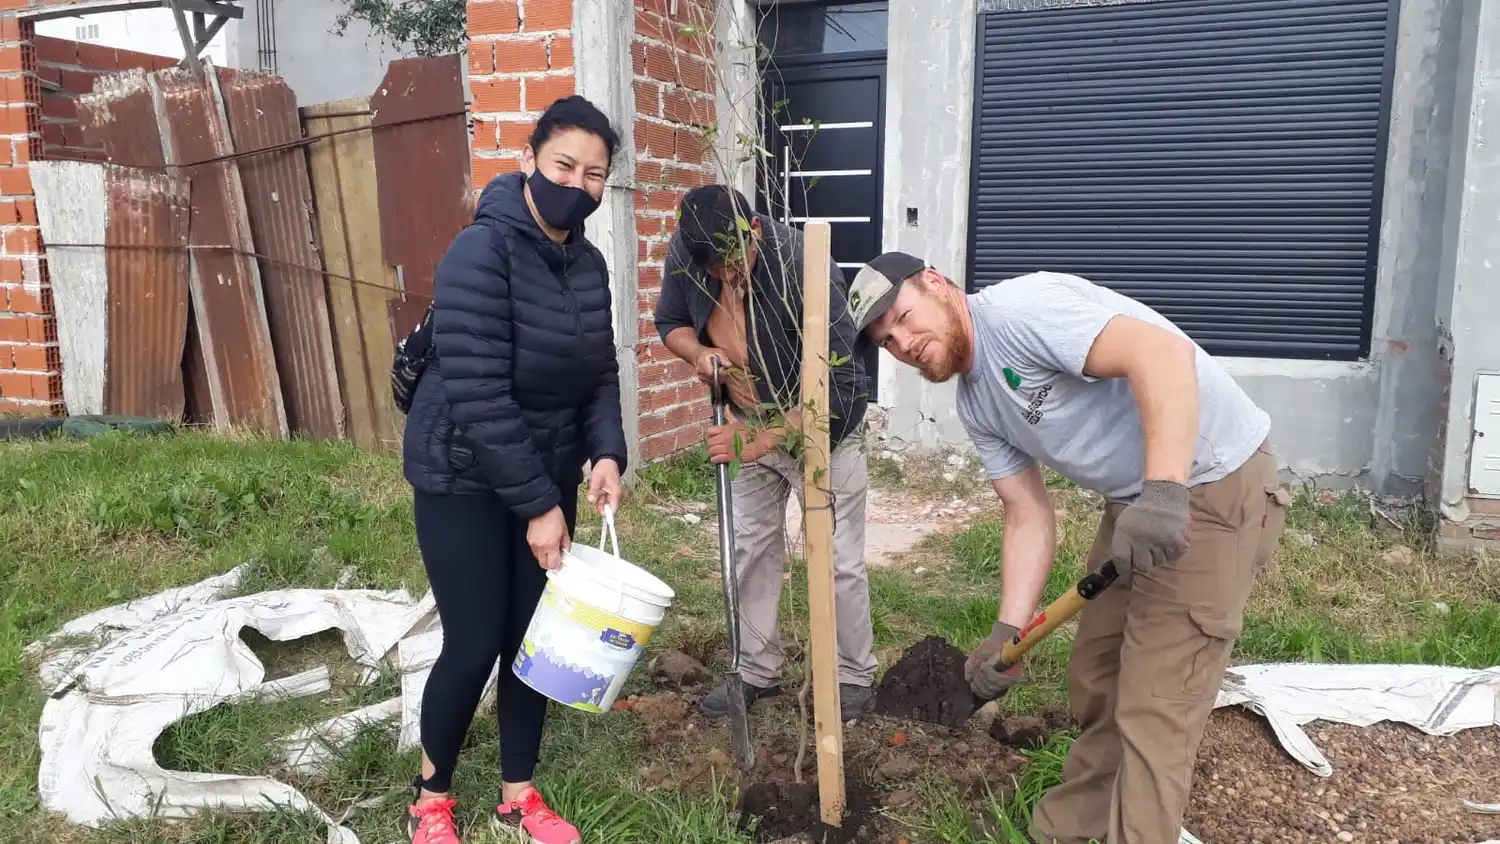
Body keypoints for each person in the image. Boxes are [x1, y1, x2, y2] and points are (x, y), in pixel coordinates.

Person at [848, 253, 1291, 844]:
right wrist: (1008, 629)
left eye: (903, 316)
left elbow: (1162, 353)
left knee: (1156, 700)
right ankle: (1069, 828)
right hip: (1138, 499)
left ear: (935, 283)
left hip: (1210, 482)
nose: (904, 342)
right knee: (1097, 672)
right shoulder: (976, 401)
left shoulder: (1023, 312)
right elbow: (1026, 512)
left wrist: (1164, 492)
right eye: (888, 341)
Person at [399, 95, 628, 844]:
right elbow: (476, 390)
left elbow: (600, 372)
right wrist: (538, 504)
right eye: (565, 164)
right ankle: (431, 799)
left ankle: (518, 794)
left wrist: (606, 453)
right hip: (462, 470)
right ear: (530, 159)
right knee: (474, 641)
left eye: (595, 174)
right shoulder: (481, 251)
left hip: (546, 469)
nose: (579, 184)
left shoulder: (588, 263)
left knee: (533, 642)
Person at [653, 184, 879, 722]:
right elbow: (670, 324)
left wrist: (758, 441)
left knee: (839, 558)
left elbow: (841, 389)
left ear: (753, 231)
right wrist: (698, 353)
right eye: (714, 271)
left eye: (733, 265)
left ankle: (852, 674)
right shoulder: (688, 251)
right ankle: (757, 669)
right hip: (746, 418)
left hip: (824, 430)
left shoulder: (804, 262)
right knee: (750, 549)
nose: (725, 279)